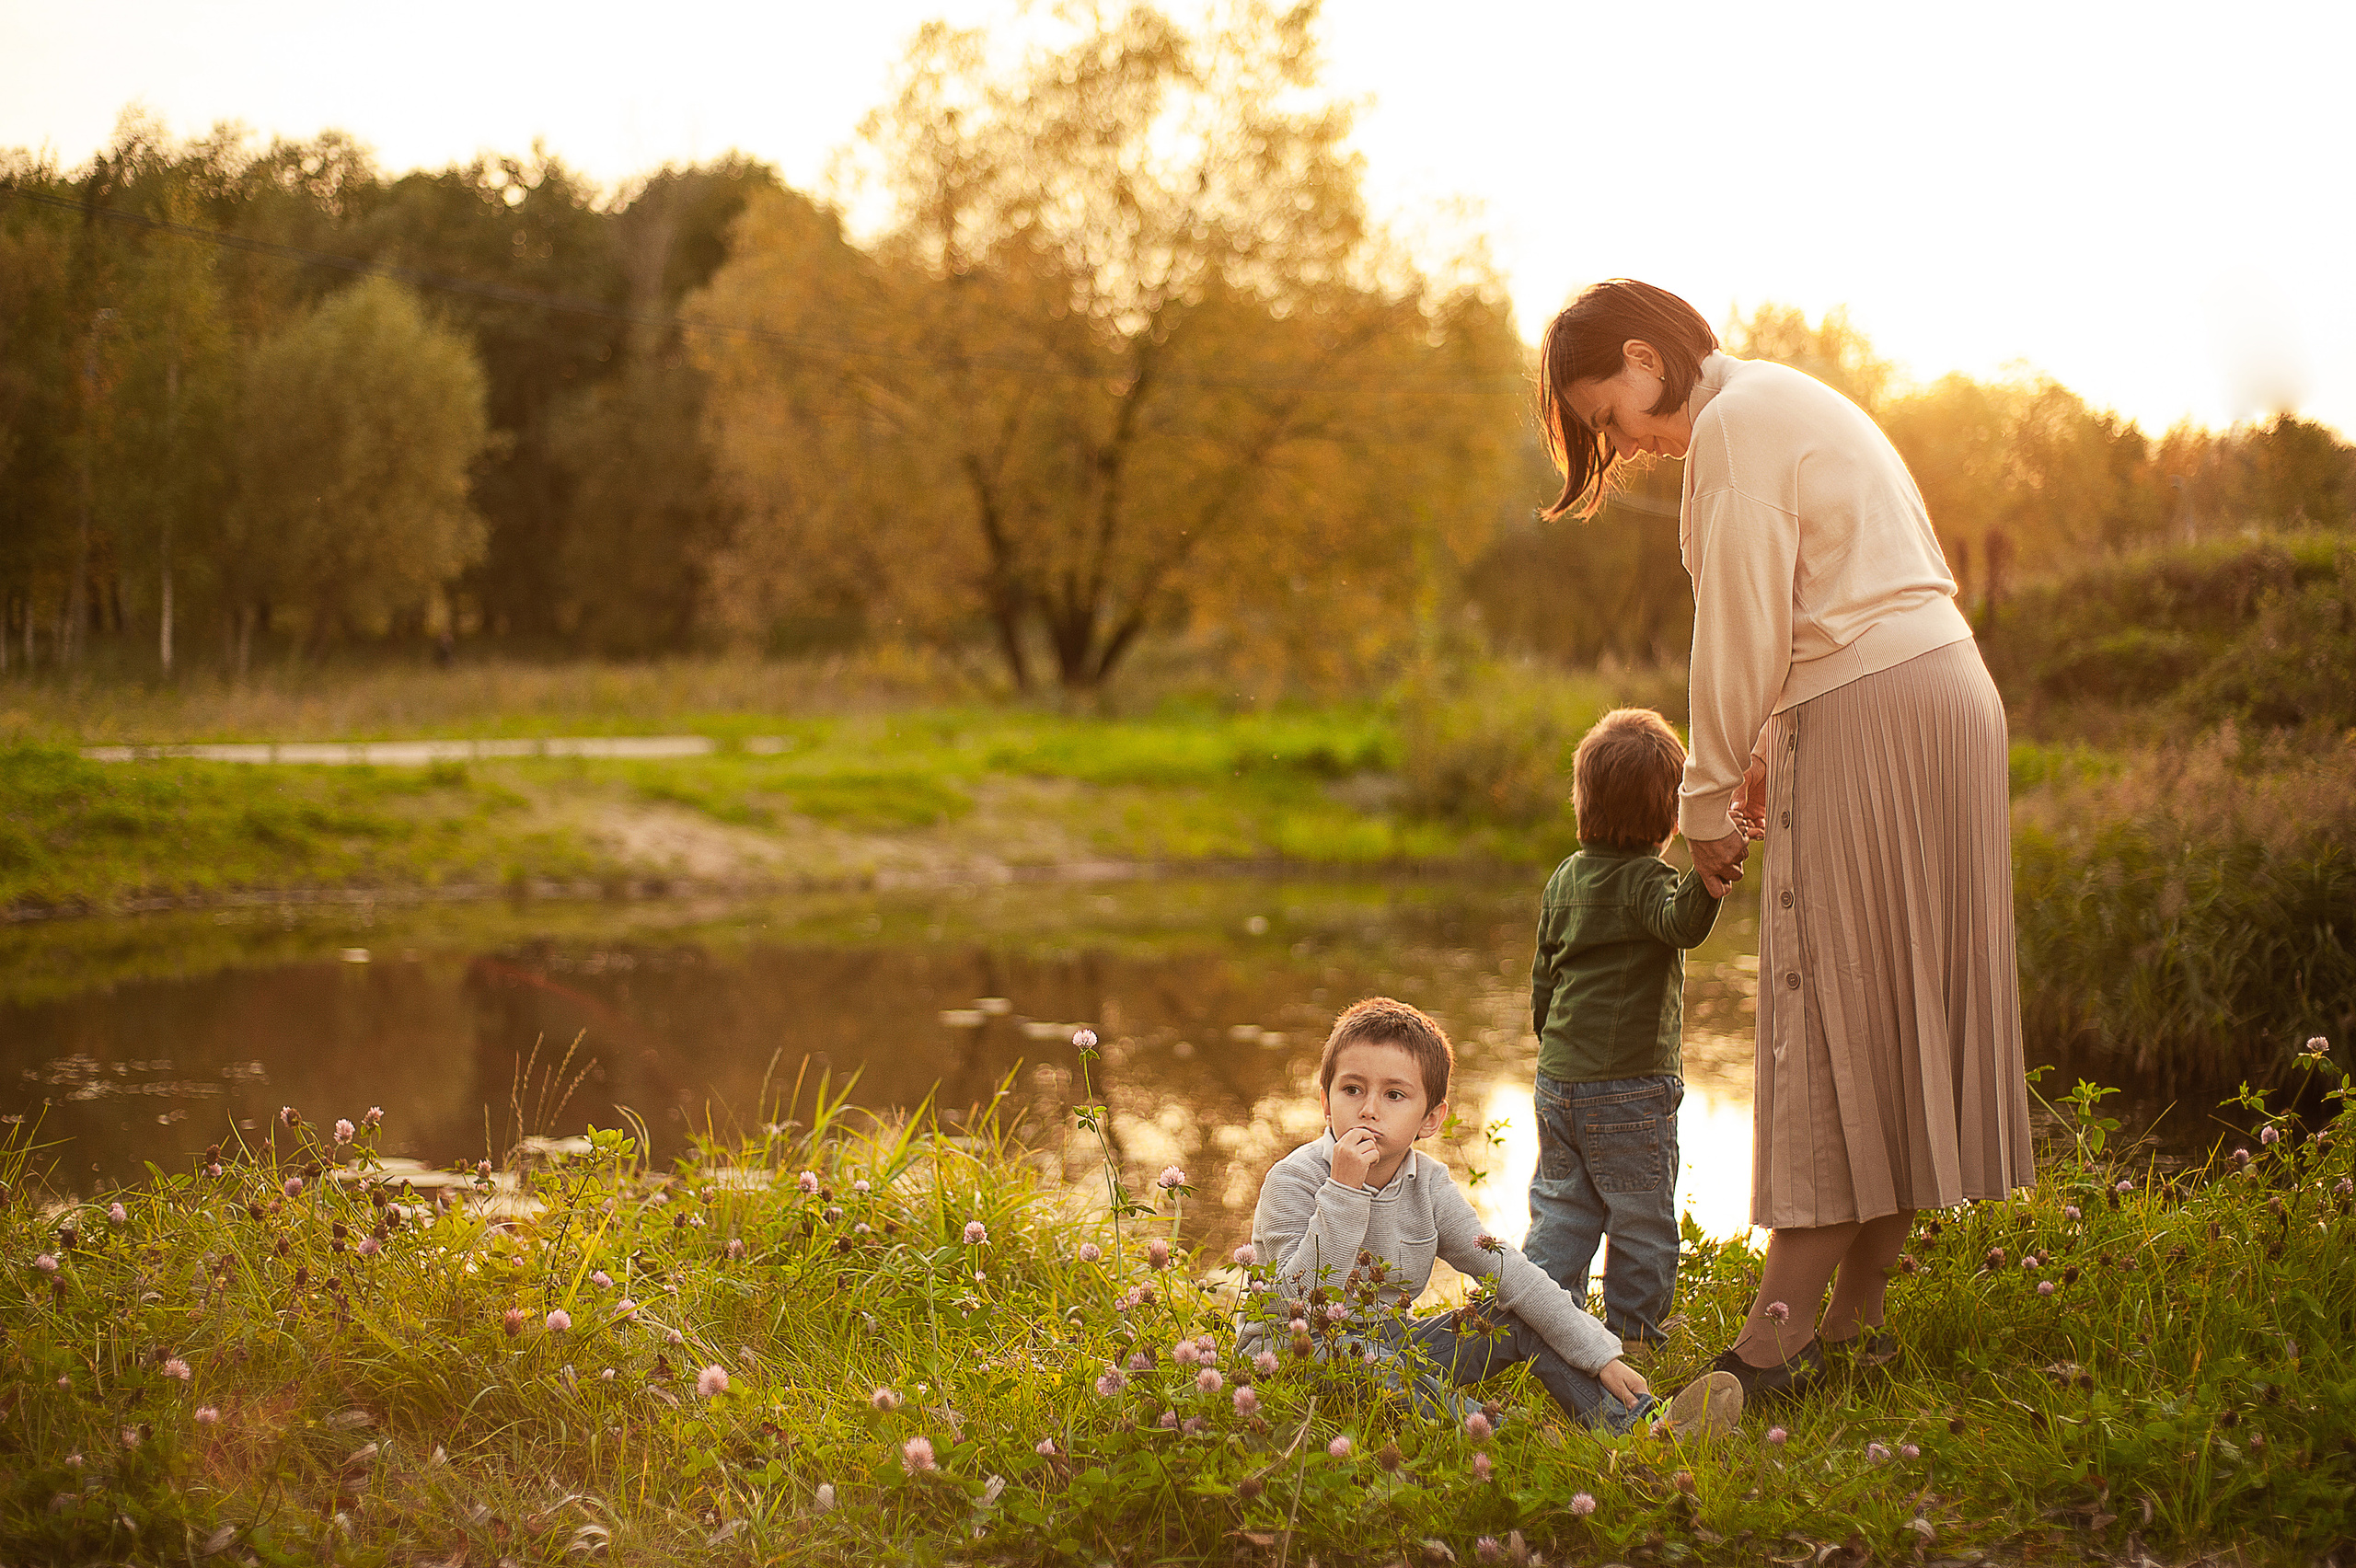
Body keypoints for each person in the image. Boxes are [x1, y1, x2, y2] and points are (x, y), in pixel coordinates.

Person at [1532, 280, 2035, 1403]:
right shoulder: (1781, 399)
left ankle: (1771, 1344)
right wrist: (1767, 742)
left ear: (1641, 359)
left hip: (1879, 709)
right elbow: (1828, 597)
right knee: (1898, 1012)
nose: (1624, 442)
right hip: (1943, 690)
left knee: (1834, 1014)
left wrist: (1704, 807)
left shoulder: (1731, 428)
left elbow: (1740, 628)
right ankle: (1852, 1327)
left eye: (1606, 413)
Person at [1242, 997, 1741, 1437]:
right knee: (1367, 1365)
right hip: (1297, 1354)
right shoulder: (1294, 1181)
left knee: (1517, 1316)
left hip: (1388, 1342)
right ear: (1326, 1101)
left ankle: (1642, 1428)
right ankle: (1502, 1436)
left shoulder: (1429, 1185)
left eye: (1394, 1095)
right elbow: (1297, 1304)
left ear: (1431, 1118)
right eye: (1353, 1090)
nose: (1369, 1109)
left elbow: (1512, 1274)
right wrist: (1344, 1191)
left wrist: (1600, 1352)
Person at [1525, 708, 1723, 1358]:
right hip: (1629, 1088)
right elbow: (1681, 924)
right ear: (1672, 820)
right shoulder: (1647, 881)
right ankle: (1633, 1339)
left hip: (1559, 1080)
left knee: (1562, 1209)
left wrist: (1549, 1043)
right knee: (1641, 1220)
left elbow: (1544, 972)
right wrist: (1710, 878)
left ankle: (1545, 1327)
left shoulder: (1565, 877)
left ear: (1581, 802)